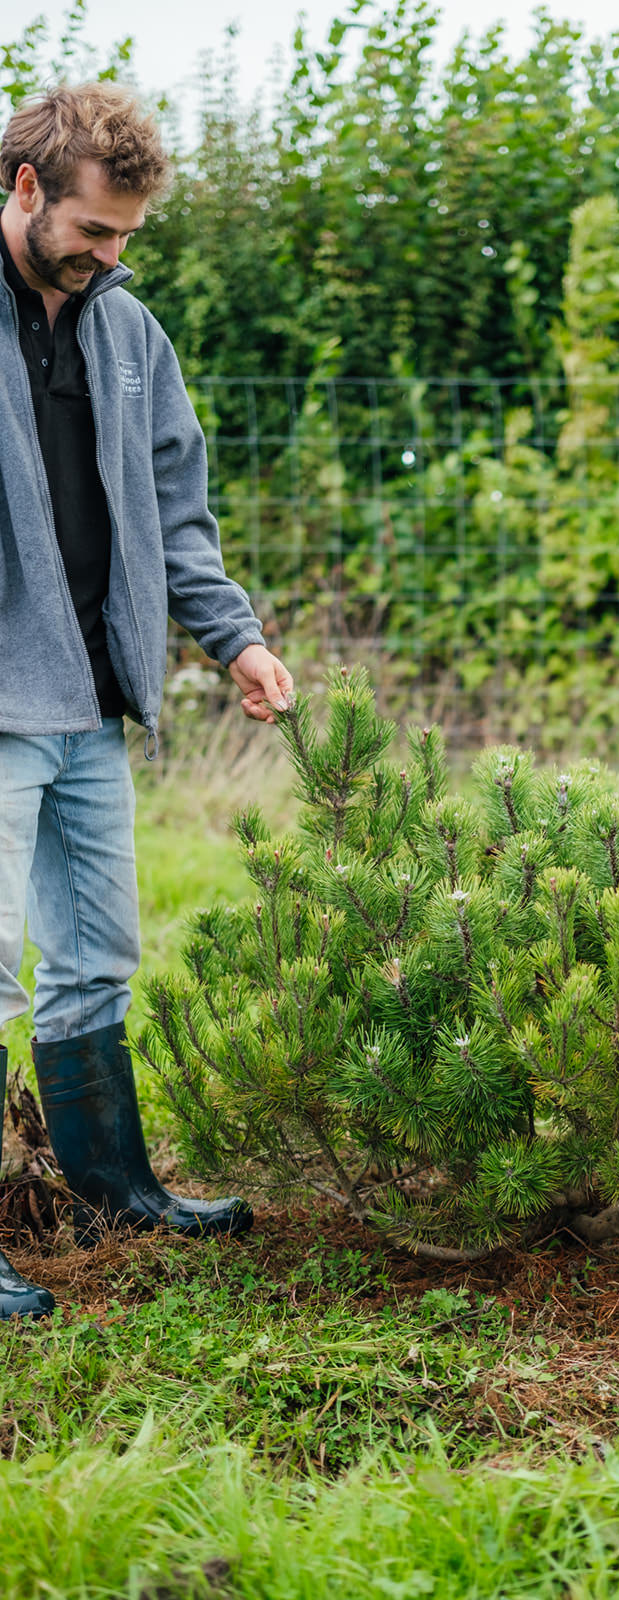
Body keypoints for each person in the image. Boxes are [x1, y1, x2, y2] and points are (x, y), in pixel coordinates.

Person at [0, 82, 294, 1319]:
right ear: (26, 190)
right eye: (93, 231)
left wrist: (234, 639)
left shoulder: (130, 334)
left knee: (98, 961)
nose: (109, 256)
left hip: (95, 698)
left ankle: (113, 1189)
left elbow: (180, 515)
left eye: (127, 236)